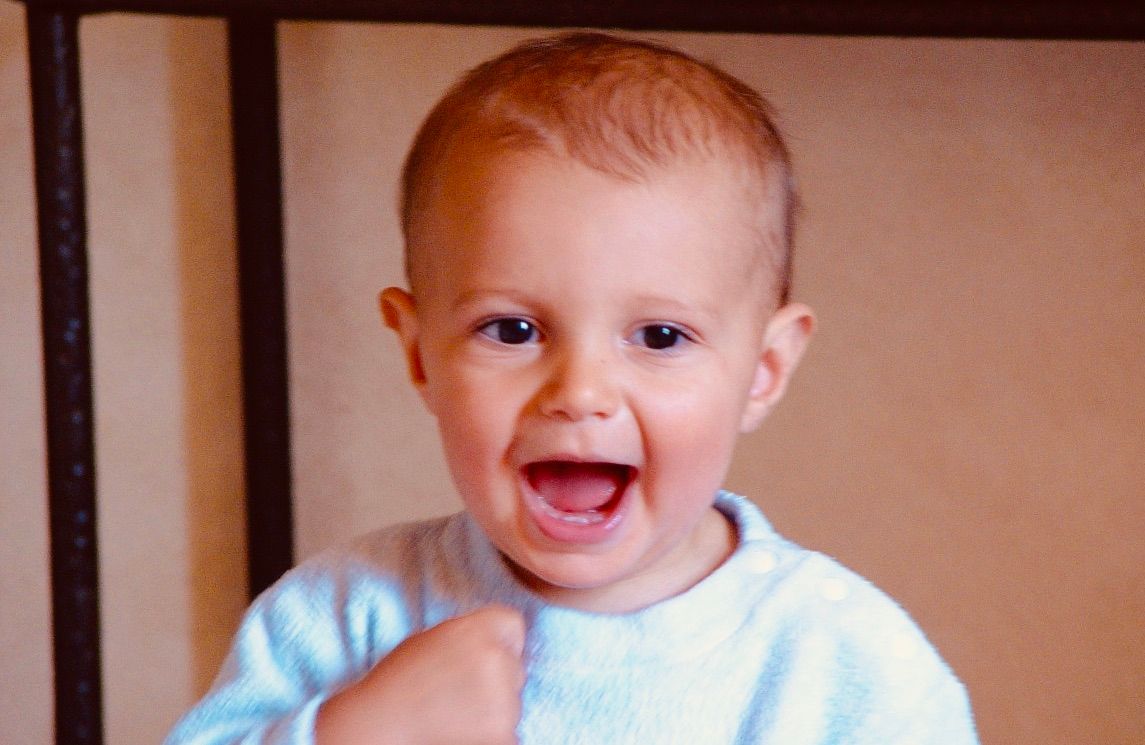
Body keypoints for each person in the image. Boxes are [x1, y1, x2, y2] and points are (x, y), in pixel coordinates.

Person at [167, 31, 977, 744]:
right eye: (511, 330)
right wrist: (349, 733)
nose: (579, 391)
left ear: (763, 370)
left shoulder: (840, 663)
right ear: (419, 353)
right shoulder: (345, 616)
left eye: (660, 337)